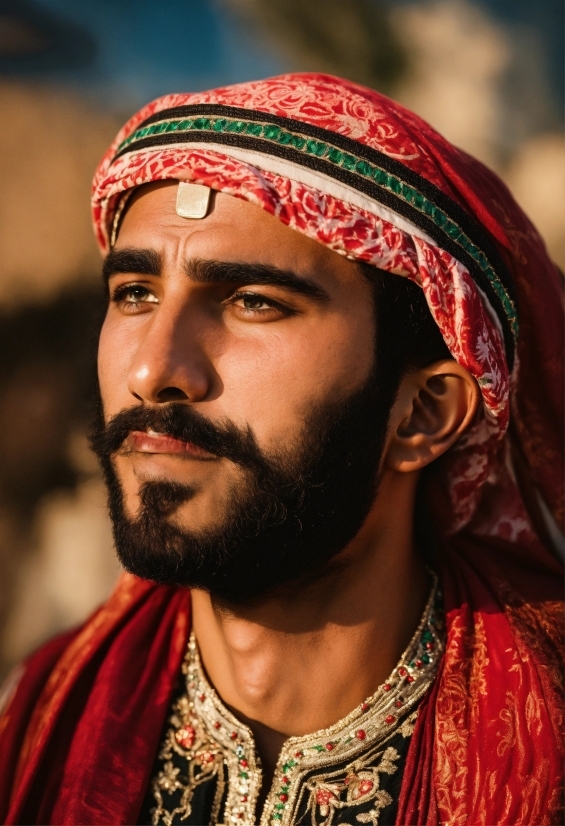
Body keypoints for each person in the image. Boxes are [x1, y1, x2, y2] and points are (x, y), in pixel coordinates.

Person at [0, 73, 562, 826]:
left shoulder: (546, 742)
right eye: (134, 293)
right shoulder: (37, 716)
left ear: (423, 415)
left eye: (252, 302)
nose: (152, 371)